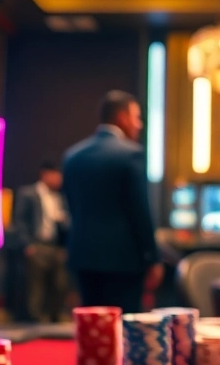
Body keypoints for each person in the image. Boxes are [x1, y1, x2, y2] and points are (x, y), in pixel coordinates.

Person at [62, 91, 160, 314]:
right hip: (123, 260)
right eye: (136, 117)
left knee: (93, 327)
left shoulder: (73, 156)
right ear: (122, 117)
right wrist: (152, 258)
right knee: (123, 329)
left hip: (83, 256)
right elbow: (140, 213)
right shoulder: (131, 155)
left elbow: (71, 206)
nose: (139, 125)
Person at [13, 162, 68, 322]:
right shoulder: (28, 193)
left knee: (59, 284)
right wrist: (27, 245)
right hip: (36, 245)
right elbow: (19, 220)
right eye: (56, 175)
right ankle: (34, 321)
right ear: (45, 174)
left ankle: (54, 319)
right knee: (35, 287)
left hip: (55, 247)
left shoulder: (60, 196)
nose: (59, 179)